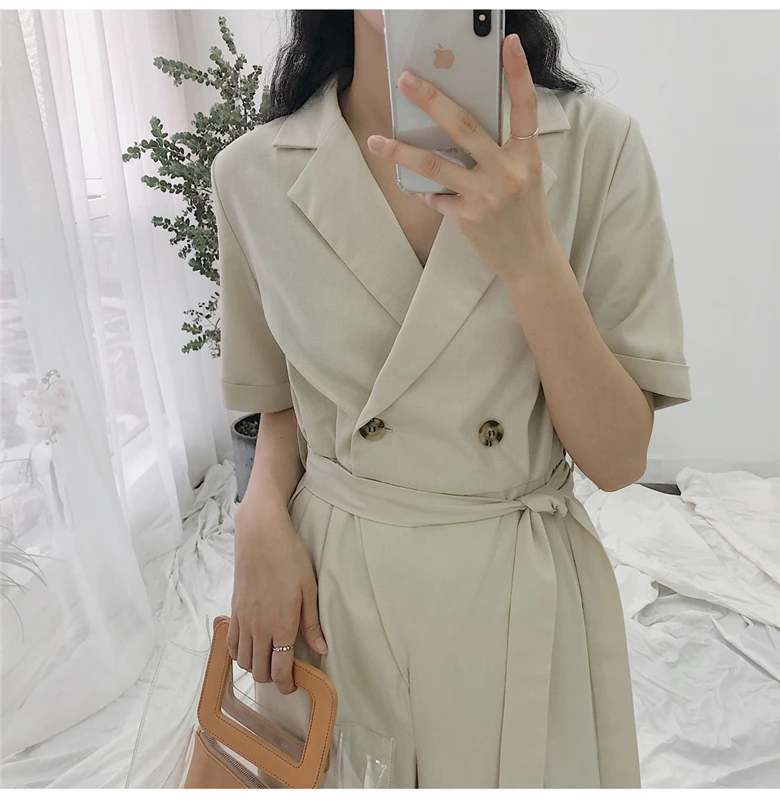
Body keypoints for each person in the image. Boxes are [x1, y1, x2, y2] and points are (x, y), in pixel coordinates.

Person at [210, 9, 692, 789]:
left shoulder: (597, 149)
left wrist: (529, 255)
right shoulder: (250, 174)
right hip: (337, 599)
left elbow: (617, 458)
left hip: (516, 591)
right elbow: (282, 398)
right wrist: (257, 510)